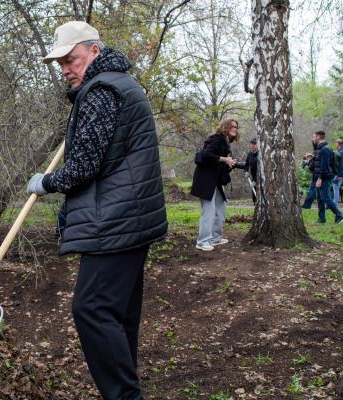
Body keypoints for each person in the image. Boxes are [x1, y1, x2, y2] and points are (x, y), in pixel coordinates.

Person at [26, 21, 167, 400]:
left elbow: (84, 166)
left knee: (91, 309)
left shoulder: (102, 90)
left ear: (94, 51)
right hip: (131, 217)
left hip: (116, 220)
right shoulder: (119, 85)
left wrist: (47, 182)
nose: (66, 70)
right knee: (118, 316)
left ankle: (124, 395)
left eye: (71, 60)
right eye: (61, 65)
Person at [191, 119, 238, 251]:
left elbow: (217, 164)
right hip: (206, 180)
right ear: (226, 127)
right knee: (209, 211)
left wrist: (229, 164)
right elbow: (205, 155)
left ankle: (215, 239)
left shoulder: (225, 142)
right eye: (232, 126)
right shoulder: (216, 138)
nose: (235, 129)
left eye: (236, 127)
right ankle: (202, 242)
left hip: (215, 181)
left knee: (220, 208)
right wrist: (224, 159)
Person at [313, 130, 343, 224]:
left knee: (325, 197)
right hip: (322, 176)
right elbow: (320, 162)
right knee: (319, 198)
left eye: (314, 137)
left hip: (325, 177)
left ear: (318, 137)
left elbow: (325, 166)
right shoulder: (321, 149)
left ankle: (340, 216)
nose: (313, 139)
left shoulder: (325, 149)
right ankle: (321, 218)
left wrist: (320, 179)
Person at [301, 133, 318, 209]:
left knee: (313, 190)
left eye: (314, 137)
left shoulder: (319, 149)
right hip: (316, 173)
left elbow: (315, 162)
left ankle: (307, 205)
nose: (312, 139)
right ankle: (329, 205)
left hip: (317, 173)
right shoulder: (316, 149)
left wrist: (310, 159)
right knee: (320, 191)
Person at [242, 137, 259, 203]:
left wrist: (255, 180)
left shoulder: (259, 155)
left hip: (260, 179)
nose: (252, 145)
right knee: (254, 195)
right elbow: (246, 164)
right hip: (253, 177)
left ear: (258, 145)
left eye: (254, 144)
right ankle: (255, 206)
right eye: (251, 144)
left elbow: (259, 170)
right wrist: (246, 171)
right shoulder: (250, 154)